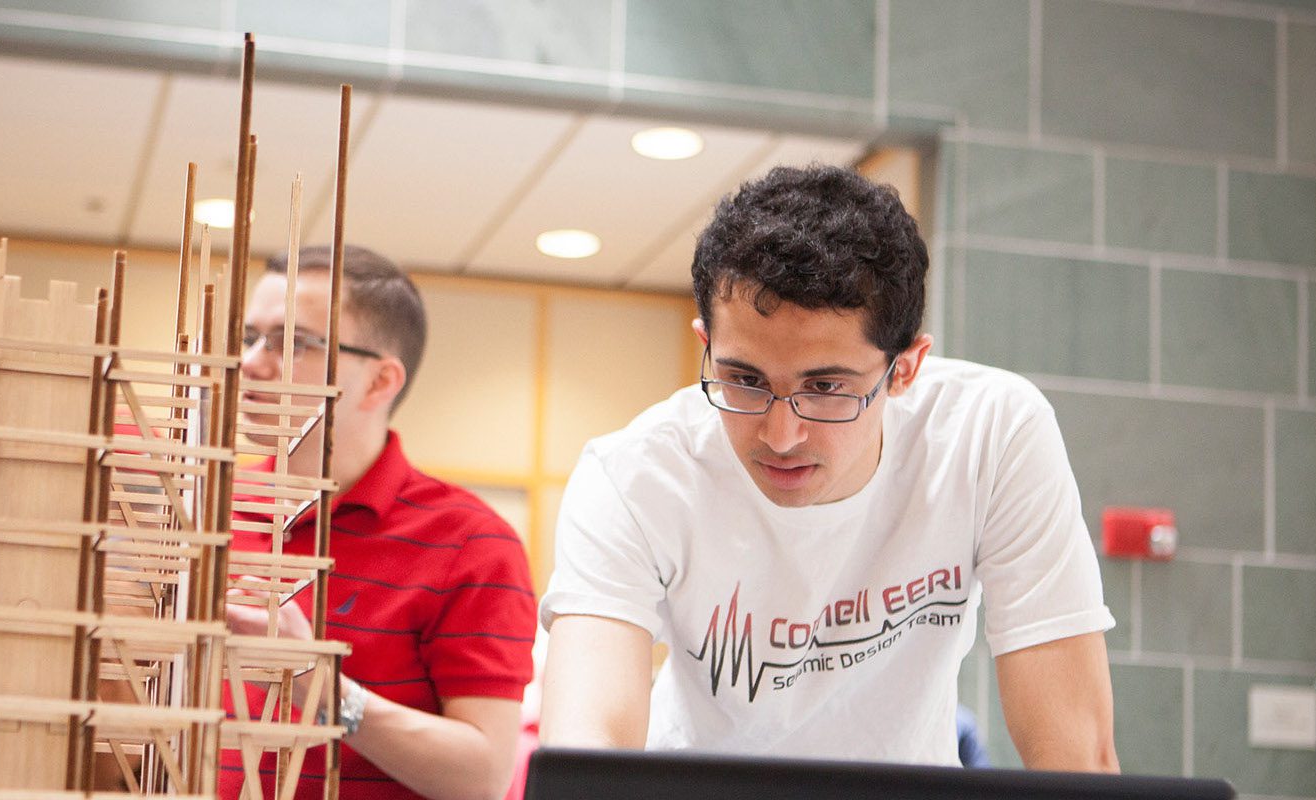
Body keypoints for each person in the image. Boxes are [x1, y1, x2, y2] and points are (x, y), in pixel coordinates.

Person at [537, 165, 1118, 771]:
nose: (780, 435)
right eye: (744, 380)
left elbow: (1075, 753)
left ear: (906, 369)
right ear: (705, 343)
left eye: (825, 387)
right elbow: (586, 750)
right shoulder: (635, 476)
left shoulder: (990, 435)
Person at [220, 245, 537, 800]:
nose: (250, 364)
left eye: (292, 342)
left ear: (380, 381)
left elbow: (483, 777)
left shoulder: (473, 543)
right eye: (249, 338)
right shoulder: (208, 511)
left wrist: (316, 683)